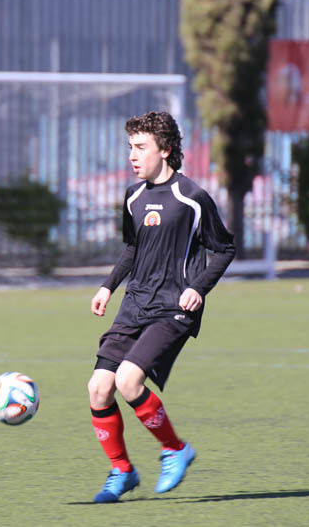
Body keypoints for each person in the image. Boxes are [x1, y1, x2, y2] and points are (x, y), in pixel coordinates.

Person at [87, 111, 236, 503]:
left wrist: (199, 288)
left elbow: (225, 248)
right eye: (130, 147)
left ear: (165, 150)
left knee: (128, 380)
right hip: (135, 303)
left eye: (141, 147)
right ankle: (122, 471)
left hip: (174, 307)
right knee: (98, 388)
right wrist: (108, 287)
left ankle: (175, 449)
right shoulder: (133, 196)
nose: (132, 156)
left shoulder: (192, 198)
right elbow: (133, 248)